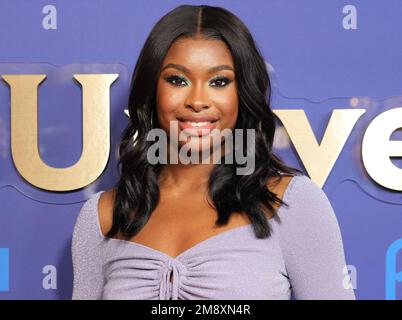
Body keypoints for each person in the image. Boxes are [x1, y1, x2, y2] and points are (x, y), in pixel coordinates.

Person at [71, 4, 356, 300]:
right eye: (177, 80)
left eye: (219, 81)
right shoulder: (101, 215)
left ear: (242, 92)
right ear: (152, 90)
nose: (197, 100)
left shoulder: (293, 203)